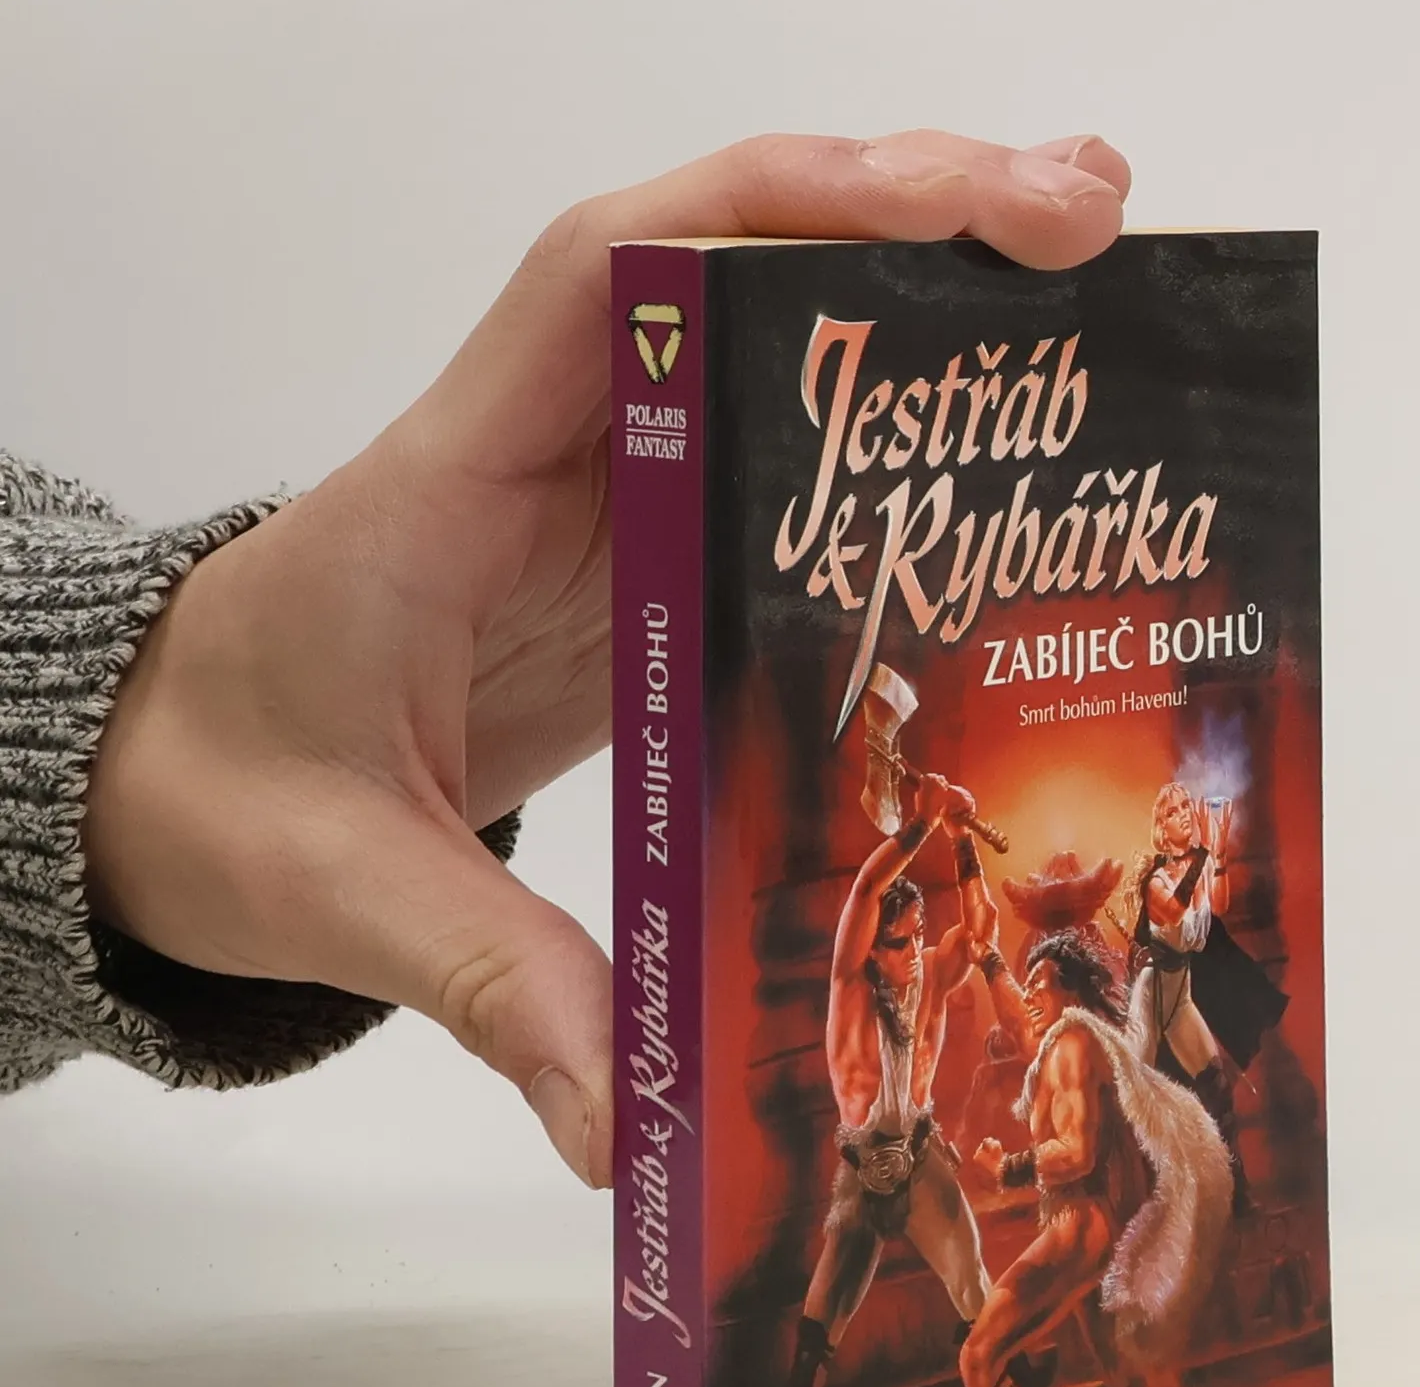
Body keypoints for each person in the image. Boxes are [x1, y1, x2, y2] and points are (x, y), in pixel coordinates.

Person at [0, 132, 1133, 1186]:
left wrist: (116, 715)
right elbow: (890, 891)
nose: (912, 941)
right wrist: (118, 719)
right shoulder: (869, 954)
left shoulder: (952, 962)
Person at [757, 769, 1000, 1387]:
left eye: (916, 938)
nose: (914, 955)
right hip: (862, 1180)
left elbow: (981, 931)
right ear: (873, 951)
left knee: (984, 1304)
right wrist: (921, 824)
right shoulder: (849, 988)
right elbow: (865, 890)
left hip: (921, 1163)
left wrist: (963, 841)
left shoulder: (932, 971)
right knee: (813, 1348)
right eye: (899, 944)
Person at [967, 930, 1237, 1387]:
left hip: (1078, 1227)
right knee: (1127, 1370)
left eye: (1039, 983)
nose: (1029, 995)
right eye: (1026, 984)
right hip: (1094, 1230)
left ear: (1070, 990)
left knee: (979, 1355)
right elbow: (1017, 1018)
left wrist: (1007, 1168)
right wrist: (988, 958)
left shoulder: (1071, 1043)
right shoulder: (1070, 1040)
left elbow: (1076, 1153)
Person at [1128, 780, 1287, 1214]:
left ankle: (1238, 1194)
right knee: (1138, 1096)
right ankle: (1146, 1201)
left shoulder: (1198, 867)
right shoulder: (1155, 879)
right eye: (1173, 811)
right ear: (1161, 827)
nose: (1184, 814)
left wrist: (1217, 854)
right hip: (1151, 994)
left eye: (1186, 806)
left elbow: (1218, 906)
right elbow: (1175, 910)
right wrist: (1203, 857)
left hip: (1179, 995)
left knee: (1216, 1085)